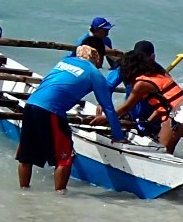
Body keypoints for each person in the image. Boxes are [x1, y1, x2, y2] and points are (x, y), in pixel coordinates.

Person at [17, 44, 125, 192]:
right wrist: (118, 136)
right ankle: (60, 197)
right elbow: (108, 108)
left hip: (30, 105)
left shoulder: (64, 62)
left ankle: (23, 191)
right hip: (52, 111)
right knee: (64, 157)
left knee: (26, 155)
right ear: (97, 59)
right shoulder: (93, 73)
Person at [115, 42, 183, 149]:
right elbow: (162, 104)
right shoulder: (155, 73)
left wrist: (106, 117)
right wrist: (148, 121)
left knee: (163, 150)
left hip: (178, 114)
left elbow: (126, 107)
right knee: (162, 146)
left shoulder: (141, 84)